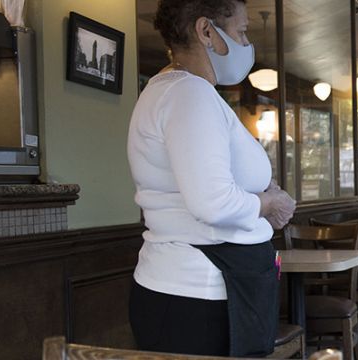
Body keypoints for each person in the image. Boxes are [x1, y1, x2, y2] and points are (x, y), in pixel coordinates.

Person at [127, 0, 296, 356]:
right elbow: (213, 203)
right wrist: (268, 203)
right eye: (242, 31)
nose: (247, 44)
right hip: (198, 295)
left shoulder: (173, 90)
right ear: (206, 32)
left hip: (199, 290)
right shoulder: (189, 94)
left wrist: (260, 195)